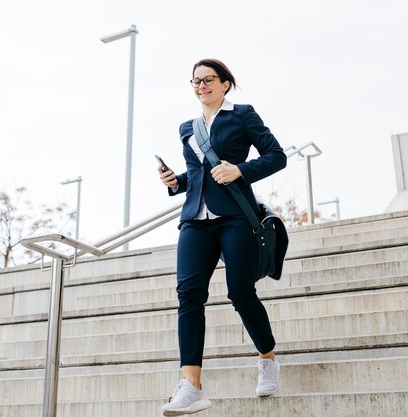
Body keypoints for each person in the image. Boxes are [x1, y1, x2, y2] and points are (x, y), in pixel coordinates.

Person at [158, 58, 287, 416]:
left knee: (241, 293)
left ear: (225, 84)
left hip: (235, 216)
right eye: (195, 81)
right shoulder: (187, 127)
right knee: (189, 296)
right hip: (195, 220)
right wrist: (175, 183)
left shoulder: (243, 115)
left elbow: (277, 157)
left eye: (208, 79)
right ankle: (191, 385)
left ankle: (267, 358)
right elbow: (194, 176)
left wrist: (240, 170)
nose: (201, 86)